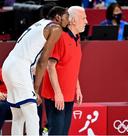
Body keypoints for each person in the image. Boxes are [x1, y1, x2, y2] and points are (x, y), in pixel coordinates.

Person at [1, 6, 69, 135]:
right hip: (20, 67)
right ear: (58, 17)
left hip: (9, 65)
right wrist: (35, 90)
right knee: (32, 114)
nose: (68, 20)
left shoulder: (40, 23)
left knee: (18, 116)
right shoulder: (56, 28)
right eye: (67, 17)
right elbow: (43, 61)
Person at [41, 6, 87, 135]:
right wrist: (58, 93)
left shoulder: (77, 38)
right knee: (56, 132)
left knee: (64, 132)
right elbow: (50, 66)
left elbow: (72, 67)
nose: (86, 21)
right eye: (83, 18)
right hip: (56, 96)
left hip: (68, 95)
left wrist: (77, 88)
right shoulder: (60, 37)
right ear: (72, 20)